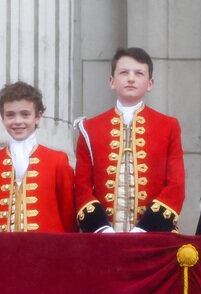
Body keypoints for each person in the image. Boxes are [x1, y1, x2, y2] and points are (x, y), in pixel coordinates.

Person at [73, 48, 186, 233]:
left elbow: (176, 185)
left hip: (154, 236)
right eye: (124, 72)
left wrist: (145, 229)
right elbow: (82, 187)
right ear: (112, 81)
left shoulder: (169, 126)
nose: (131, 78)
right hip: (102, 239)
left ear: (150, 84)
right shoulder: (89, 129)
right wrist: (102, 229)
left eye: (139, 73)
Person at [0, 82, 76, 232]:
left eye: (25, 114)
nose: (17, 121)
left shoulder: (58, 161)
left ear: (38, 116)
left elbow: (68, 215)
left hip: (47, 251)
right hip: (0, 251)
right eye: (10, 115)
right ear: (2, 118)